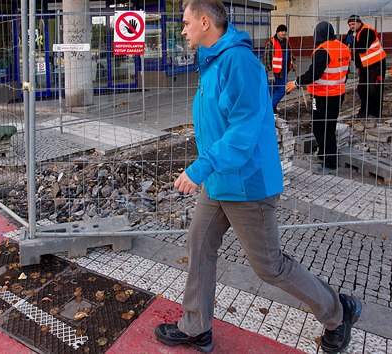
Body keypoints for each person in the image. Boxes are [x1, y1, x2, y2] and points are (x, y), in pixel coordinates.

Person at [154, 1, 361, 353]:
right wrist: (208, 168)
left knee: (270, 267)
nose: (183, 30)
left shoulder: (240, 62)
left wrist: (200, 167)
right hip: (222, 181)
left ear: (205, 22)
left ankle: (338, 312)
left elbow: (244, 130)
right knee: (200, 246)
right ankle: (196, 327)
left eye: (186, 23)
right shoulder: (214, 61)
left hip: (248, 184)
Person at [286, 22, 351, 175]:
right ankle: (323, 153)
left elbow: (313, 74)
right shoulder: (343, 47)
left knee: (325, 128)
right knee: (321, 126)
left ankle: (330, 163)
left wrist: (296, 83)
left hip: (325, 96)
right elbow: (345, 73)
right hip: (332, 94)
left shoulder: (323, 50)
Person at [346, 15, 387, 119]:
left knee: (374, 89)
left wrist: (352, 41)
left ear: (359, 22)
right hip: (364, 66)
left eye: (353, 24)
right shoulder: (352, 33)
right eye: (349, 24)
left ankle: (375, 113)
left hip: (376, 64)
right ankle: (364, 111)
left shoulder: (367, 31)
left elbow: (362, 48)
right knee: (362, 89)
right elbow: (345, 42)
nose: (351, 26)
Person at [263, 24, 296, 114]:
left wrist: (293, 62)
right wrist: (270, 73)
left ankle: (269, 107)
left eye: (285, 31)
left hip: (283, 72)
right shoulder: (271, 43)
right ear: (277, 32)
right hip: (273, 72)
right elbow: (266, 59)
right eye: (281, 31)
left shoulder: (287, 42)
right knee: (271, 92)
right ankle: (271, 108)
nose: (284, 33)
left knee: (282, 90)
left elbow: (290, 54)